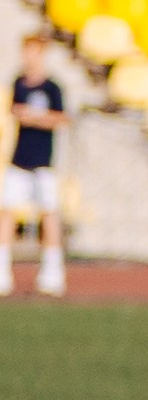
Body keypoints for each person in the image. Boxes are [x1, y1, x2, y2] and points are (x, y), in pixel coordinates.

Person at [4, 34, 68, 298]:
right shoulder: (18, 83)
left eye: (33, 51)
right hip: (19, 160)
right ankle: (2, 273)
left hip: (44, 162)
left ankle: (52, 274)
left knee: (49, 214)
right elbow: (13, 111)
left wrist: (36, 117)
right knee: (6, 212)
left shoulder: (52, 88)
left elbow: (61, 118)